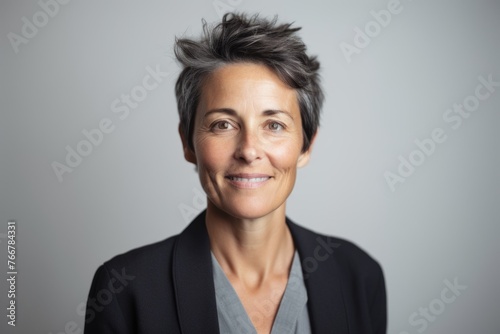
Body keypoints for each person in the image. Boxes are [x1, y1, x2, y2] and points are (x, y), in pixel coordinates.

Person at [84, 13, 387, 334]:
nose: (248, 149)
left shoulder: (359, 275)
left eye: (274, 125)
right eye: (223, 124)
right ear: (188, 143)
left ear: (306, 146)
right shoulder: (124, 289)